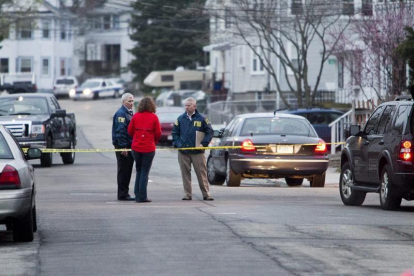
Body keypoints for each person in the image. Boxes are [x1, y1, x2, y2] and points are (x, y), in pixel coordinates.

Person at [172, 97, 214, 201]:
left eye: (189, 105)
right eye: (185, 105)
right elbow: (174, 133)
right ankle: (187, 194)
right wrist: (178, 144)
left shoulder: (202, 118)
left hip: (197, 152)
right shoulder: (180, 119)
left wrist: (203, 144)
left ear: (194, 106)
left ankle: (206, 193)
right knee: (185, 173)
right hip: (183, 151)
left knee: (201, 173)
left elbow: (210, 132)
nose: (186, 107)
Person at [128, 97, 161, 203]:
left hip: (136, 147)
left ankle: (137, 193)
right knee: (144, 172)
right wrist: (153, 142)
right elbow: (158, 133)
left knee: (138, 170)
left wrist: (136, 139)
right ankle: (142, 196)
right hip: (148, 148)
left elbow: (130, 130)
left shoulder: (136, 116)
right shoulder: (154, 117)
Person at [112, 93, 135, 201]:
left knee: (128, 170)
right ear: (123, 102)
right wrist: (123, 147)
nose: (131, 103)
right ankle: (123, 194)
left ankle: (125, 192)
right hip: (124, 146)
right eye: (129, 101)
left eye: (132, 101)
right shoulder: (121, 114)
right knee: (124, 170)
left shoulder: (129, 112)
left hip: (128, 145)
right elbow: (120, 131)